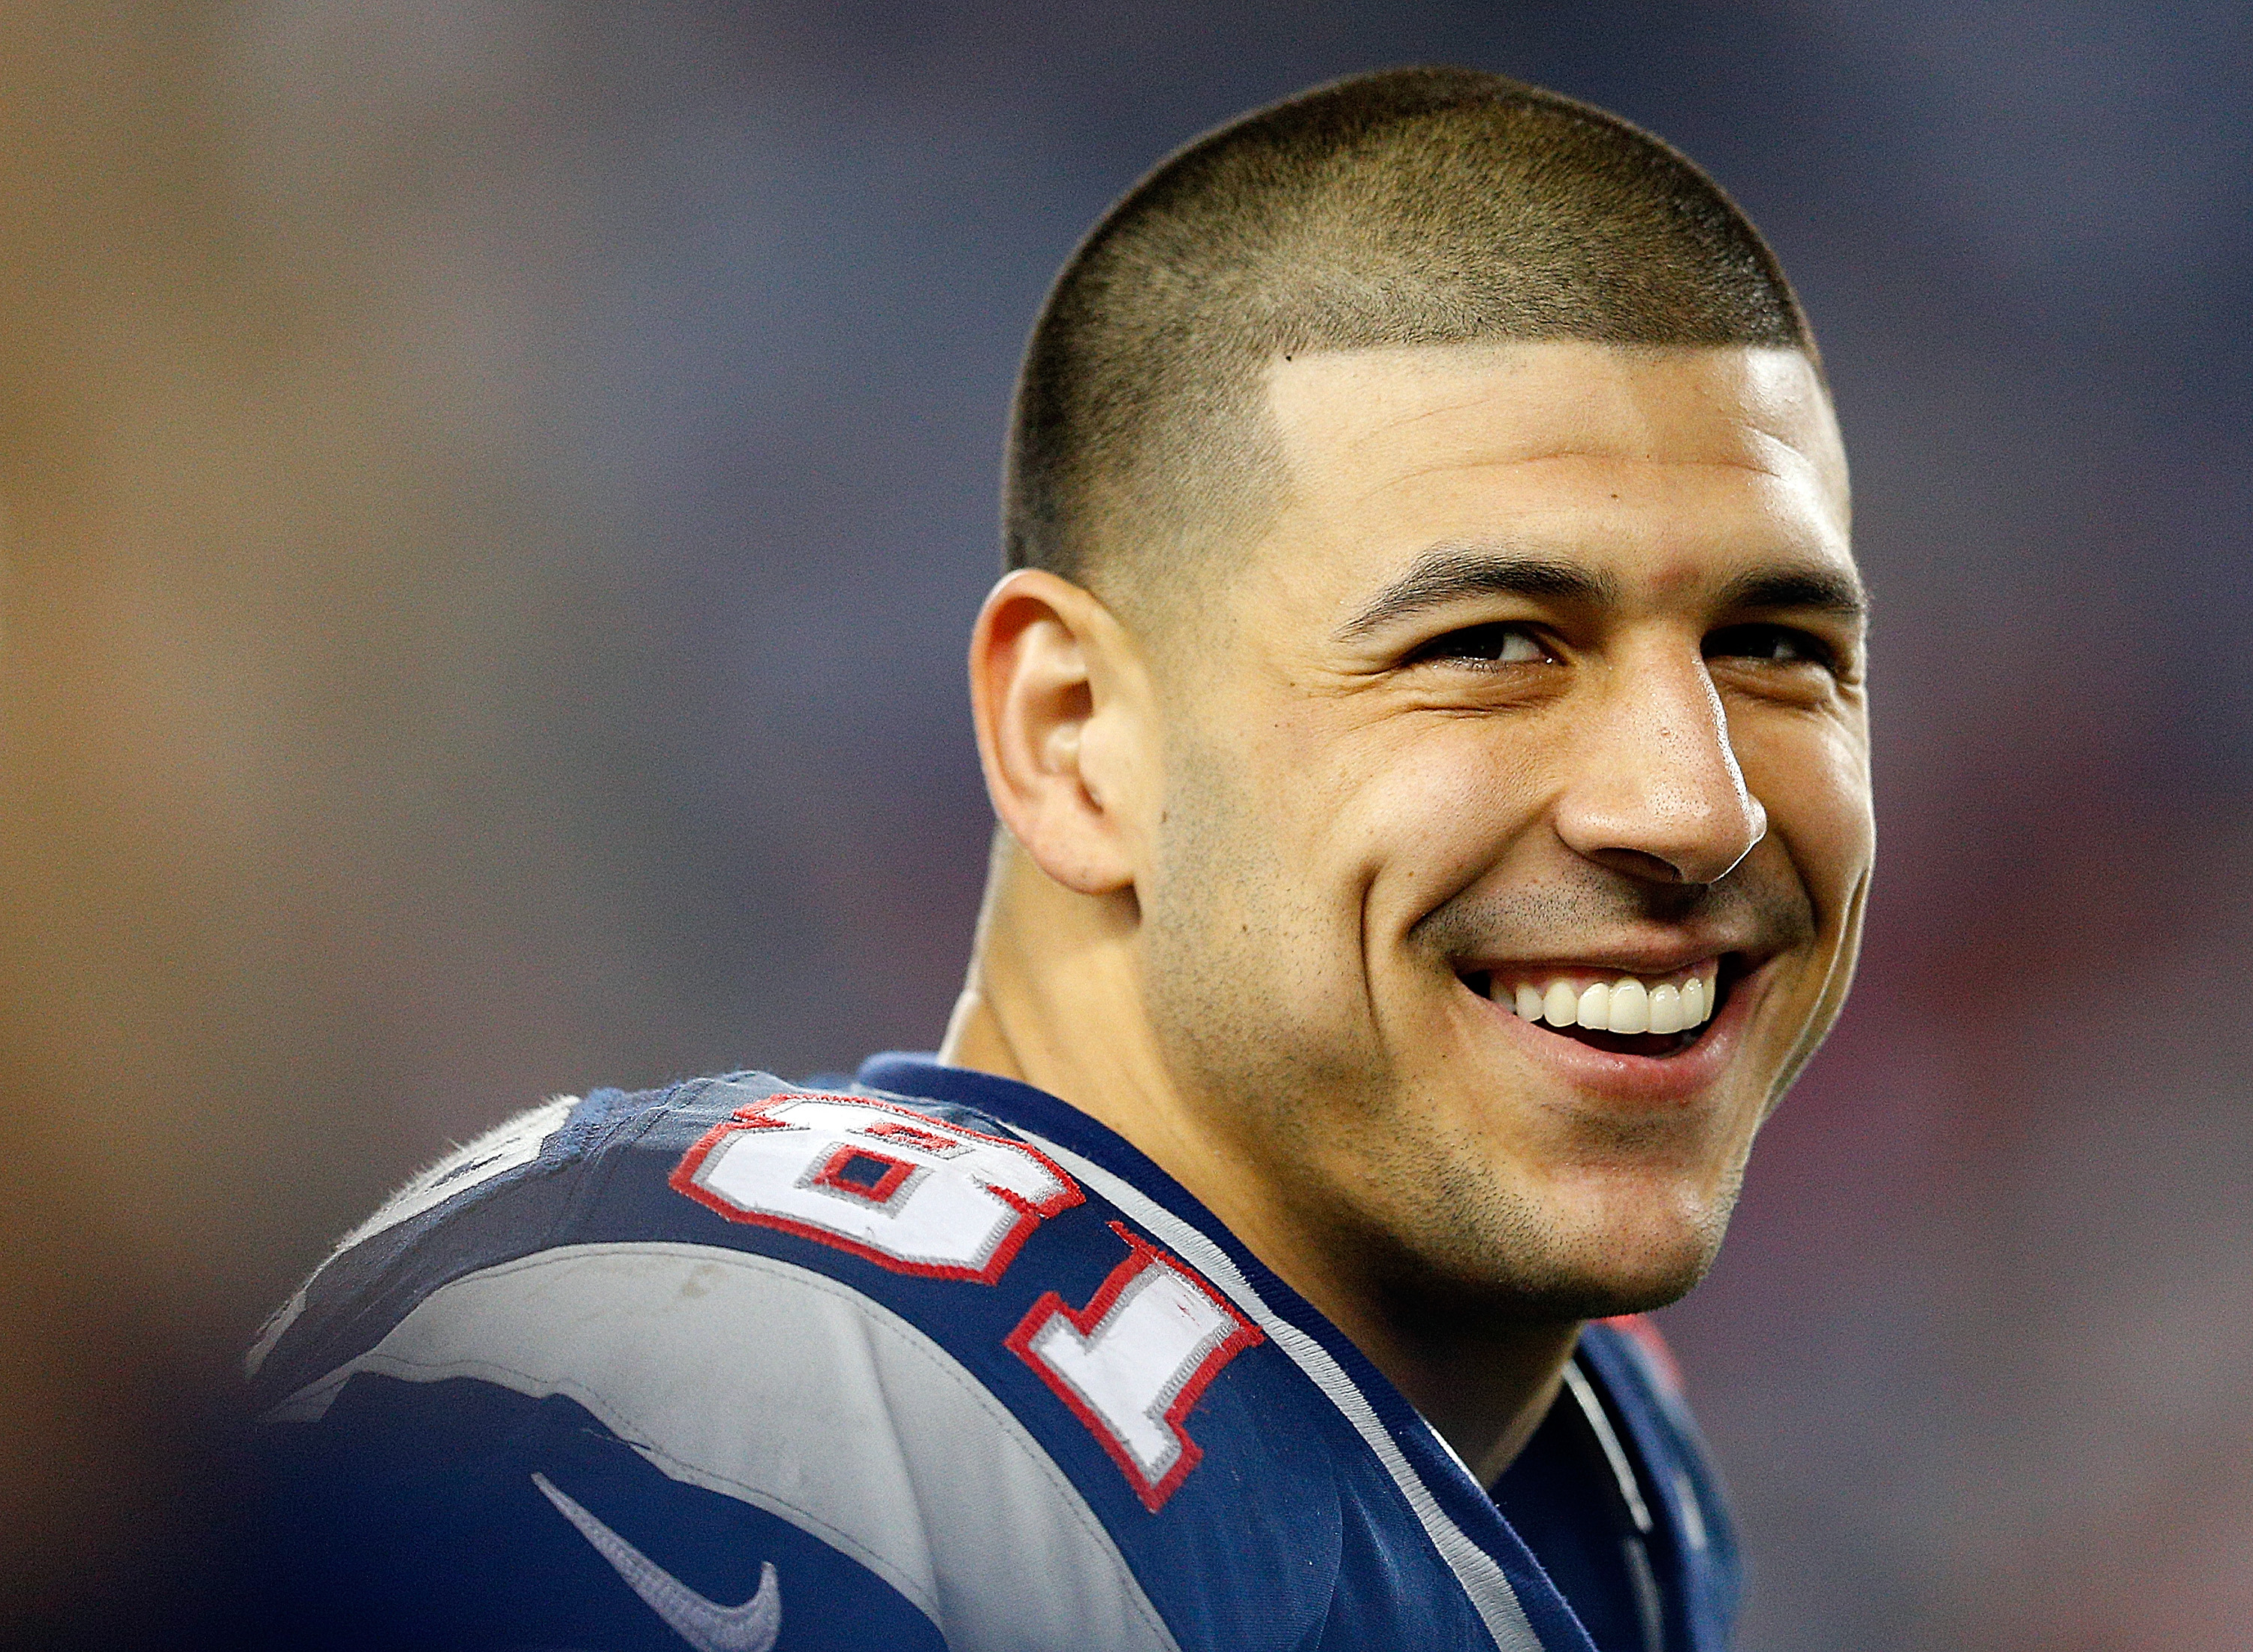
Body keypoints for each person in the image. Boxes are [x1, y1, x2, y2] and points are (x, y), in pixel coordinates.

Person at [245, 65, 1871, 1652]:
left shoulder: (1598, 1461)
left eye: (1775, 644)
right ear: (1074, 731)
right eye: (1495, 638)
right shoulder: (720, 1399)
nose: (1695, 802)